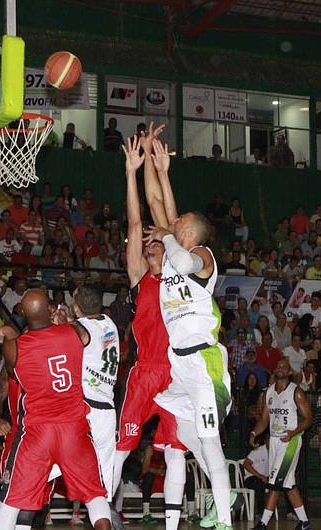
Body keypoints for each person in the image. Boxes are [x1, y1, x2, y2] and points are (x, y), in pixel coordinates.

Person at [144, 137, 233, 530]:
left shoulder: (202, 257)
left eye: (178, 226)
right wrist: (160, 168)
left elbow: (176, 247)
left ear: (189, 234)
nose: (170, 223)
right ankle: (222, 487)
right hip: (179, 364)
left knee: (210, 442)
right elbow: (164, 209)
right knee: (185, 433)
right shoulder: (176, 245)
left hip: (204, 362)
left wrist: (166, 232)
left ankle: (227, 520)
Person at [112, 134, 188, 530]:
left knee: (176, 452)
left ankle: (172, 526)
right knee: (122, 449)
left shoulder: (177, 270)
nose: (152, 241)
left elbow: (165, 219)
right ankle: (103, 514)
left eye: (158, 241)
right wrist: (132, 172)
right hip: (144, 373)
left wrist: (158, 172)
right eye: (149, 243)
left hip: (176, 374)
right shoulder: (140, 276)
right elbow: (137, 220)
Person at [0, 289, 111, 530]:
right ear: (51, 310)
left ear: (22, 313)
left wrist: (9, 332)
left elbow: (17, 357)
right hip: (74, 429)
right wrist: (63, 319)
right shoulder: (73, 334)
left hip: (38, 433)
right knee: (94, 496)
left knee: (10, 501)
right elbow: (84, 335)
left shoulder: (13, 349)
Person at [249, 359, 313, 530]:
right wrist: (255, 433)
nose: (279, 368)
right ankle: (305, 523)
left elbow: (309, 419)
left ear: (290, 372)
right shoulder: (268, 392)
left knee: (275, 482)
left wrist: (293, 432)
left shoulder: (296, 392)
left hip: (290, 442)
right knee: (288, 484)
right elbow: (264, 419)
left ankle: (262, 523)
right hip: (275, 441)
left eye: (284, 367)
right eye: (278, 366)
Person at [71, 285, 120, 501]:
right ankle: (105, 515)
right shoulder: (110, 324)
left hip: (85, 408)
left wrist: (63, 322)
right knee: (103, 480)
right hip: (107, 410)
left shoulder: (81, 328)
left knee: (59, 462)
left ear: (77, 307)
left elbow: (79, 334)